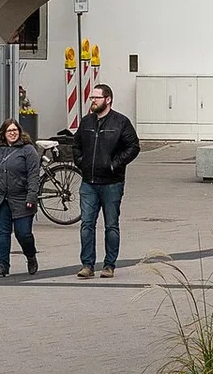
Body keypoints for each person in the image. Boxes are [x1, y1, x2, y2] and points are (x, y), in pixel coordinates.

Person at [73, 82, 139, 279]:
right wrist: (82, 162)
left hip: (112, 183)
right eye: (92, 98)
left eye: (96, 98)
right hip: (89, 182)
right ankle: (87, 264)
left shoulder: (121, 122)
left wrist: (115, 164)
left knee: (111, 225)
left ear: (108, 99)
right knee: (86, 224)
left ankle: (109, 265)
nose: (93, 101)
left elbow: (133, 147)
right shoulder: (86, 122)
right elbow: (76, 145)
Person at [0, 119, 41, 278]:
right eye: (9, 131)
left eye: (15, 130)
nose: (12, 133)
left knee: (23, 233)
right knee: (2, 233)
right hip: (0, 198)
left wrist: (31, 196)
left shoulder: (28, 150)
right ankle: (2, 266)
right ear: (4, 134)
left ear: (19, 132)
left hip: (21, 198)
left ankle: (31, 256)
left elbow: (33, 176)